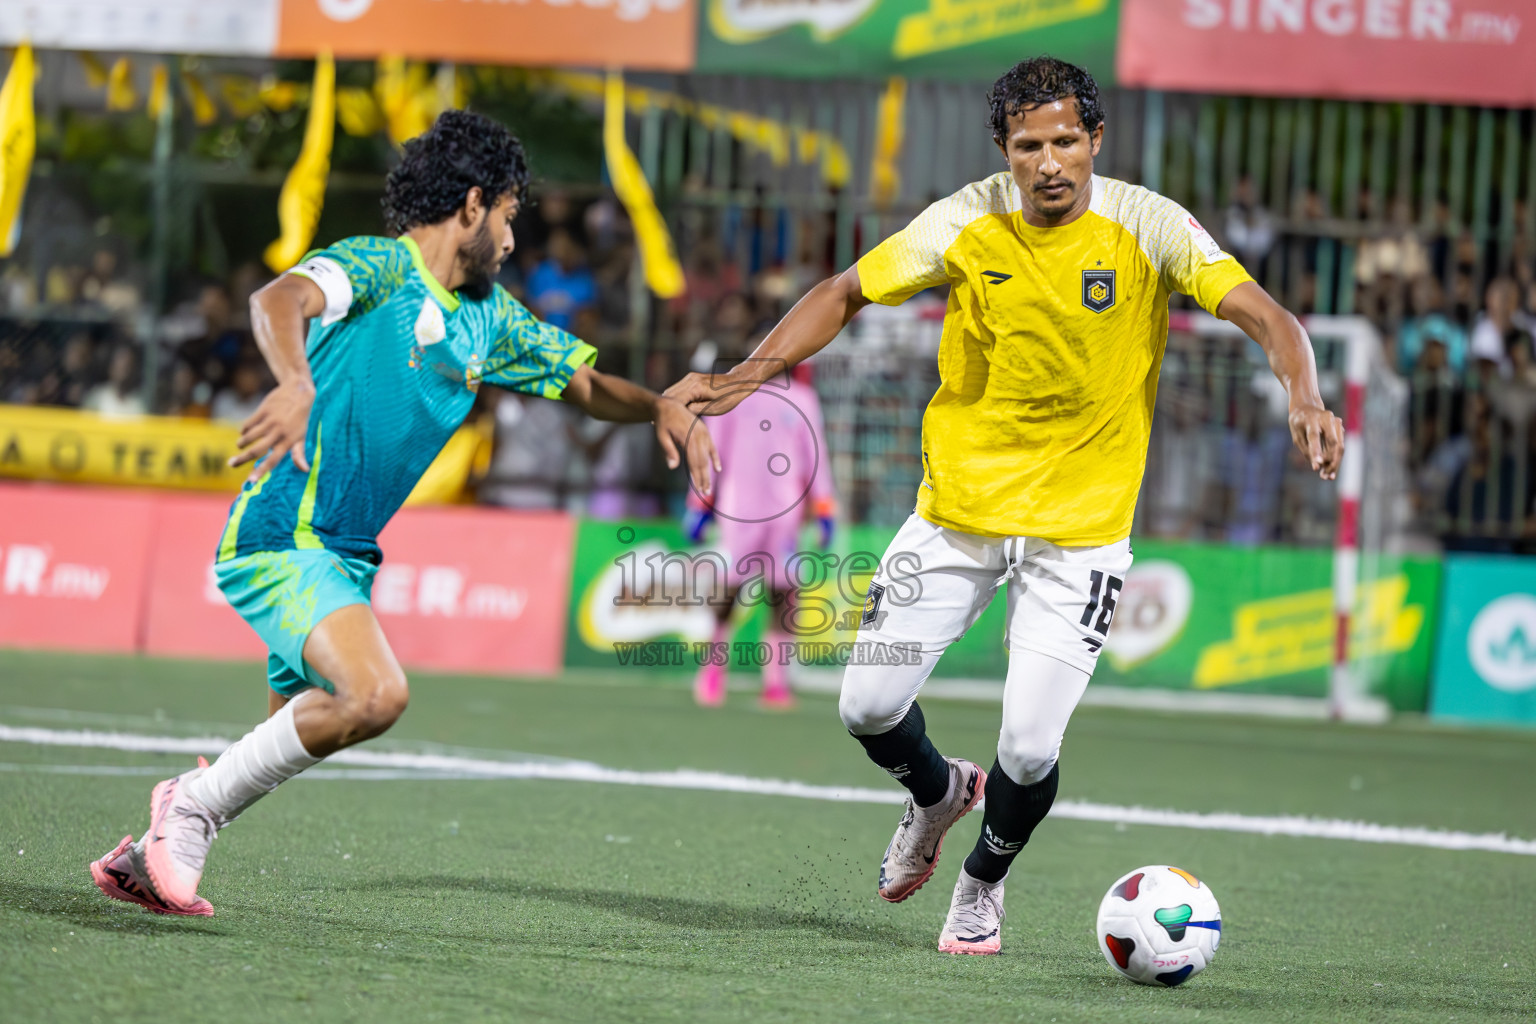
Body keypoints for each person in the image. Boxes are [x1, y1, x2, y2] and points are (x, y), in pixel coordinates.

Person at [664, 57, 1343, 956]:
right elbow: (843, 293)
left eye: (1067, 141)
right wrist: (741, 379)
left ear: (1096, 139)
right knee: (865, 705)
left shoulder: (1147, 225)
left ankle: (981, 886)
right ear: (1005, 150)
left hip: (1081, 535)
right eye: (1030, 146)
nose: (1050, 162)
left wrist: (1302, 389)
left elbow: (1266, 315)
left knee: (1027, 750)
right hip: (958, 512)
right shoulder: (966, 220)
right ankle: (939, 792)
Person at [87, 110, 718, 918]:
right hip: (285, 531)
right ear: (471, 205)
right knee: (376, 695)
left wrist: (661, 405)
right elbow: (279, 299)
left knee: (293, 729)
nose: (514, 240)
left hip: (344, 553)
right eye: (511, 217)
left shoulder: (490, 318)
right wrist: (294, 381)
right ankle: (190, 811)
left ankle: (155, 846)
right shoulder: (379, 267)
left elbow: (586, 385)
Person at [684, 359, 836, 709]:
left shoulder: (803, 399)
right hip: (740, 509)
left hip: (786, 514)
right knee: (730, 589)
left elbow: (815, 457)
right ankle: (712, 669)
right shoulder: (730, 396)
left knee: (783, 594)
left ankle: (775, 681)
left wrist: (823, 507)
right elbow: (711, 450)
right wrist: (700, 503)